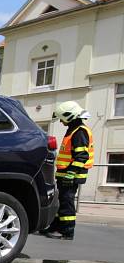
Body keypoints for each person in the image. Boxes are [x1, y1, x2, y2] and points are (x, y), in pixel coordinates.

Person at [40, 101, 94, 240]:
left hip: (71, 175)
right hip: (65, 174)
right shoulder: (73, 129)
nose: (61, 122)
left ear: (70, 116)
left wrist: (71, 174)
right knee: (62, 201)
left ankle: (67, 232)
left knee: (67, 202)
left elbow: (82, 156)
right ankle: (56, 226)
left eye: (62, 118)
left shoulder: (80, 132)